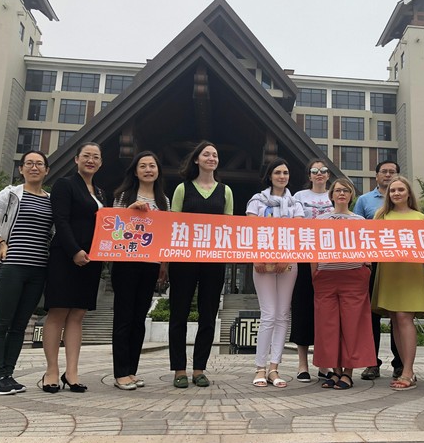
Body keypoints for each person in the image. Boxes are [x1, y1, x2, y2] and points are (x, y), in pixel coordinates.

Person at [0, 150, 53, 395]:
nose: (34, 167)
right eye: (29, 163)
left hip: (38, 270)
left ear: (47, 170)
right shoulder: (10, 195)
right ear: (21, 169)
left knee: (20, 325)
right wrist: (0, 241)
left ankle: (8, 374)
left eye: (39, 164)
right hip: (13, 267)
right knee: (2, 323)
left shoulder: (51, 200)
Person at [169, 141, 234, 388]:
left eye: (215, 155)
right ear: (196, 159)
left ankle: (199, 369)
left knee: (208, 315)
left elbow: (229, 228)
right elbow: (172, 226)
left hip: (214, 260)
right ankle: (179, 369)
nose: (211, 158)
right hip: (183, 260)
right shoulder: (182, 189)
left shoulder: (225, 191)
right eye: (206, 154)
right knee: (179, 314)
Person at [43, 142, 106, 393]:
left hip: (92, 259)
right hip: (66, 256)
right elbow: (61, 219)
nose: (91, 160)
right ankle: (51, 371)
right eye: (86, 156)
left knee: (78, 314)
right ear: (76, 159)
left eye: (96, 157)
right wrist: (74, 251)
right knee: (58, 312)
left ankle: (72, 372)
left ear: (101, 163)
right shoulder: (65, 184)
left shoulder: (101, 192)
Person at [111, 151, 169, 390]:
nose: (148, 169)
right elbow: (113, 228)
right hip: (125, 263)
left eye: (152, 166)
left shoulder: (163, 200)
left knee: (139, 318)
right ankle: (120, 372)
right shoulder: (123, 196)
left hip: (151, 264)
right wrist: (129, 212)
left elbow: (165, 233)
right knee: (124, 317)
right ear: (135, 171)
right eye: (143, 166)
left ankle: (132, 370)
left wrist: (164, 264)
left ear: (158, 171)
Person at [246, 157, 305, 388]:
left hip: (288, 262)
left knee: (282, 315)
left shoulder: (295, 204)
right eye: (278, 172)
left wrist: (286, 257)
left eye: (286, 173)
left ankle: (274, 368)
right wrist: (258, 257)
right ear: (269, 175)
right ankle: (259, 367)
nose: (282, 176)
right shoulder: (257, 201)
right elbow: (250, 231)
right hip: (262, 263)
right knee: (268, 314)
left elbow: (298, 232)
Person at [312, 178, 375, 390]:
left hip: (353, 276)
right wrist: (316, 274)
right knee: (329, 326)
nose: (341, 194)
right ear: (331, 195)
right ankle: (335, 371)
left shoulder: (359, 221)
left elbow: (368, 250)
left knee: (352, 325)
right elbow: (313, 250)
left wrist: (365, 270)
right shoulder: (319, 220)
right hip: (326, 276)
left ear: (351, 196)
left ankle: (348, 372)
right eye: (338, 190)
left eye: (346, 191)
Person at [371, 176, 424, 390]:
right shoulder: (381, 216)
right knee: (395, 318)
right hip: (389, 272)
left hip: (411, 273)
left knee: (405, 318)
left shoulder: (421, 217)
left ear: (408, 193)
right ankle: (406, 368)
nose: (396, 193)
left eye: (400, 189)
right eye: (393, 190)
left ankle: (408, 371)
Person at [353, 160, 403, 381]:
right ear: (376, 176)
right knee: (370, 315)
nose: (388, 175)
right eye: (384, 172)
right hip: (372, 264)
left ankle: (400, 364)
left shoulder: (406, 202)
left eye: (393, 172)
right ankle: (371, 362)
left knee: (398, 313)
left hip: (398, 266)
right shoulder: (364, 201)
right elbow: (355, 231)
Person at [291, 159, 333, 382]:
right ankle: (302, 364)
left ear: (328, 175)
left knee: (326, 312)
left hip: (329, 261)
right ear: (309, 175)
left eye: (323, 171)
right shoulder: (298, 197)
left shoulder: (334, 196)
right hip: (304, 258)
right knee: (302, 308)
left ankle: (325, 364)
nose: (319, 174)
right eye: (314, 171)